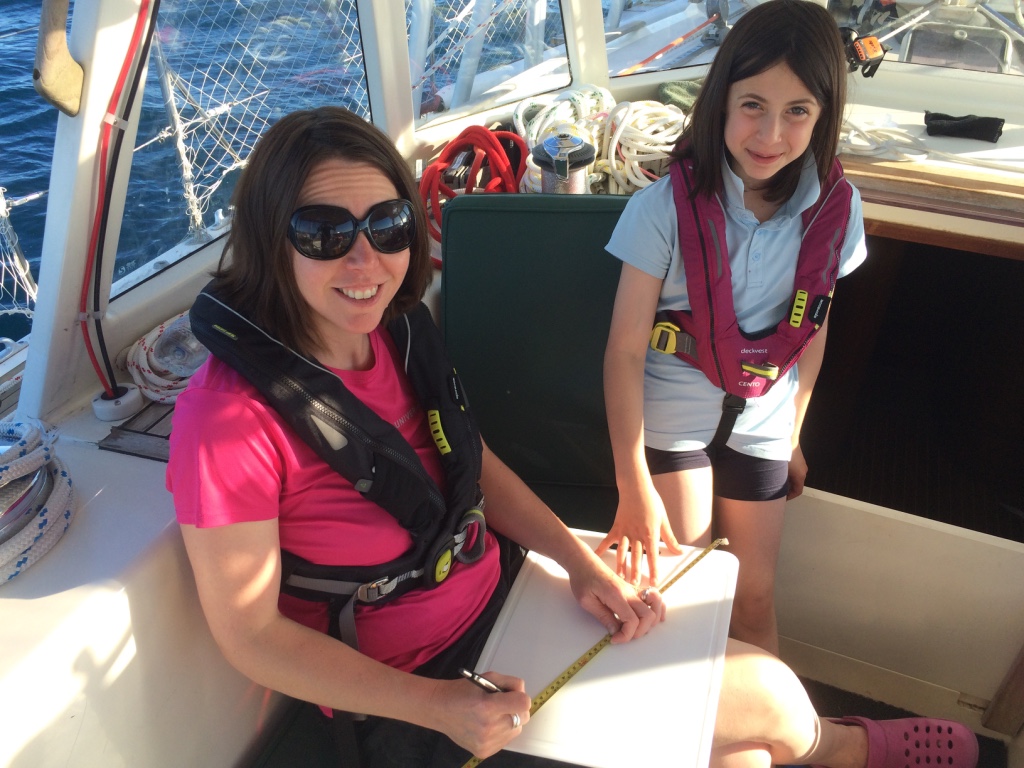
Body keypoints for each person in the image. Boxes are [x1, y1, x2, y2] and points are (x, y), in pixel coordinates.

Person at [166, 106, 977, 768]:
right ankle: (839, 750)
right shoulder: (228, 420)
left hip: (506, 603)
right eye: (323, 233)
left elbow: (469, 468)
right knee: (765, 703)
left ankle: (826, 750)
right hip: (418, 694)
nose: (365, 259)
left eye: (386, 223)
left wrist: (579, 562)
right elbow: (252, 636)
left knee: (747, 745)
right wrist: (439, 708)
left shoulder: (392, 334)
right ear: (274, 242)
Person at [598, 0, 868, 656]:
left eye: (797, 111)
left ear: (823, 116)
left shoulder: (839, 210)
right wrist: (631, 485)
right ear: (721, 102)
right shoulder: (660, 208)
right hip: (673, 416)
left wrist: (794, 437)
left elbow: (813, 332)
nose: (771, 133)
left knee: (751, 595)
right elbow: (626, 351)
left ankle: (765, 737)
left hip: (765, 419)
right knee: (680, 579)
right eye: (753, 105)